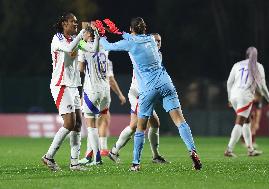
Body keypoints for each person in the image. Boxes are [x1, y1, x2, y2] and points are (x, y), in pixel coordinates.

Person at [100, 17, 202, 171]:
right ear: (145, 29)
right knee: (180, 120)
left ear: (132, 29)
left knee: (140, 128)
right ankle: (192, 150)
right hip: (166, 83)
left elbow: (108, 46)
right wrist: (119, 32)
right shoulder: (151, 40)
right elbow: (134, 37)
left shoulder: (131, 42)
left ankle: (135, 163)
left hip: (148, 88)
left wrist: (101, 34)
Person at [108, 33, 168, 164]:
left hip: (145, 95)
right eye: (155, 41)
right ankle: (114, 150)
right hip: (138, 94)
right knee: (136, 125)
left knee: (155, 123)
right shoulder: (145, 53)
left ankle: (155, 156)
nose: (157, 43)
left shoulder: (158, 55)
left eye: (159, 41)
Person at [42, 12, 86, 171]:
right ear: (64, 24)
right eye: (73, 22)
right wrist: (82, 33)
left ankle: (74, 163)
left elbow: (89, 48)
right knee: (69, 123)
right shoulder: (58, 39)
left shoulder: (75, 41)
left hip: (73, 85)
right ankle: (49, 156)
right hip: (61, 84)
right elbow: (68, 48)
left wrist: (93, 35)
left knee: (78, 124)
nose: (76, 24)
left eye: (77, 22)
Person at [77, 26, 126, 165]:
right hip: (105, 92)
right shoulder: (105, 47)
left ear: (88, 35)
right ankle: (88, 155)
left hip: (92, 90)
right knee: (100, 120)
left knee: (91, 125)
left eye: (85, 32)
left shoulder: (83, 46)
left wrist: (81, 42)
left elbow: (80, 69)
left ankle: (96, 158)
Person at [225, 46, 269, 157]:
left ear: (246, 55)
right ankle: (229, 149)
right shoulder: (258, 66)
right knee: (240, 123)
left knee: (247, 121)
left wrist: (229, 98)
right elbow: (262, 86)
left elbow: (229, 83)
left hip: (234, 95)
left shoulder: (237, 65)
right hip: (244, 96)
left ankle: (250, 149)